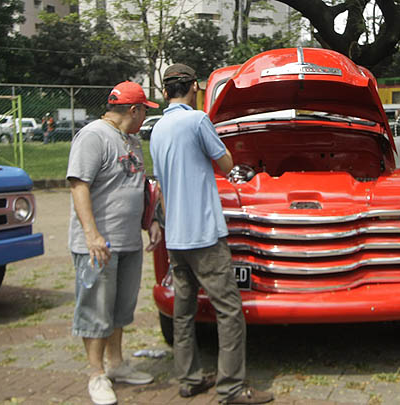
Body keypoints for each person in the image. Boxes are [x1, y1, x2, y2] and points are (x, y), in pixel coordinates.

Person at [150, 63, 274, 405]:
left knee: (184, 310)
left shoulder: (158, 128)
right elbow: (225, 163)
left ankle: (189, 379)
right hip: (204, 234)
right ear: (194, 88)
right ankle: (231, 388)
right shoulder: (197, 120)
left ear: (164, 92)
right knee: (229, 310)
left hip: (176, 236)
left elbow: (161, 182)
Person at [67, 81, 162, 405]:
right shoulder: (94, 136)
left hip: (127, 241)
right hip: (97, 244)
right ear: (133, 110)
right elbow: (79, 186)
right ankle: (96, 374)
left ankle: (117, 364)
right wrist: (92, 235)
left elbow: (140, 186)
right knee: (96, 309)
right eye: (143, 112)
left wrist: (151, 222)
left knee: (120, 308)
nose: (143, 119)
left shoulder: (132, 140)